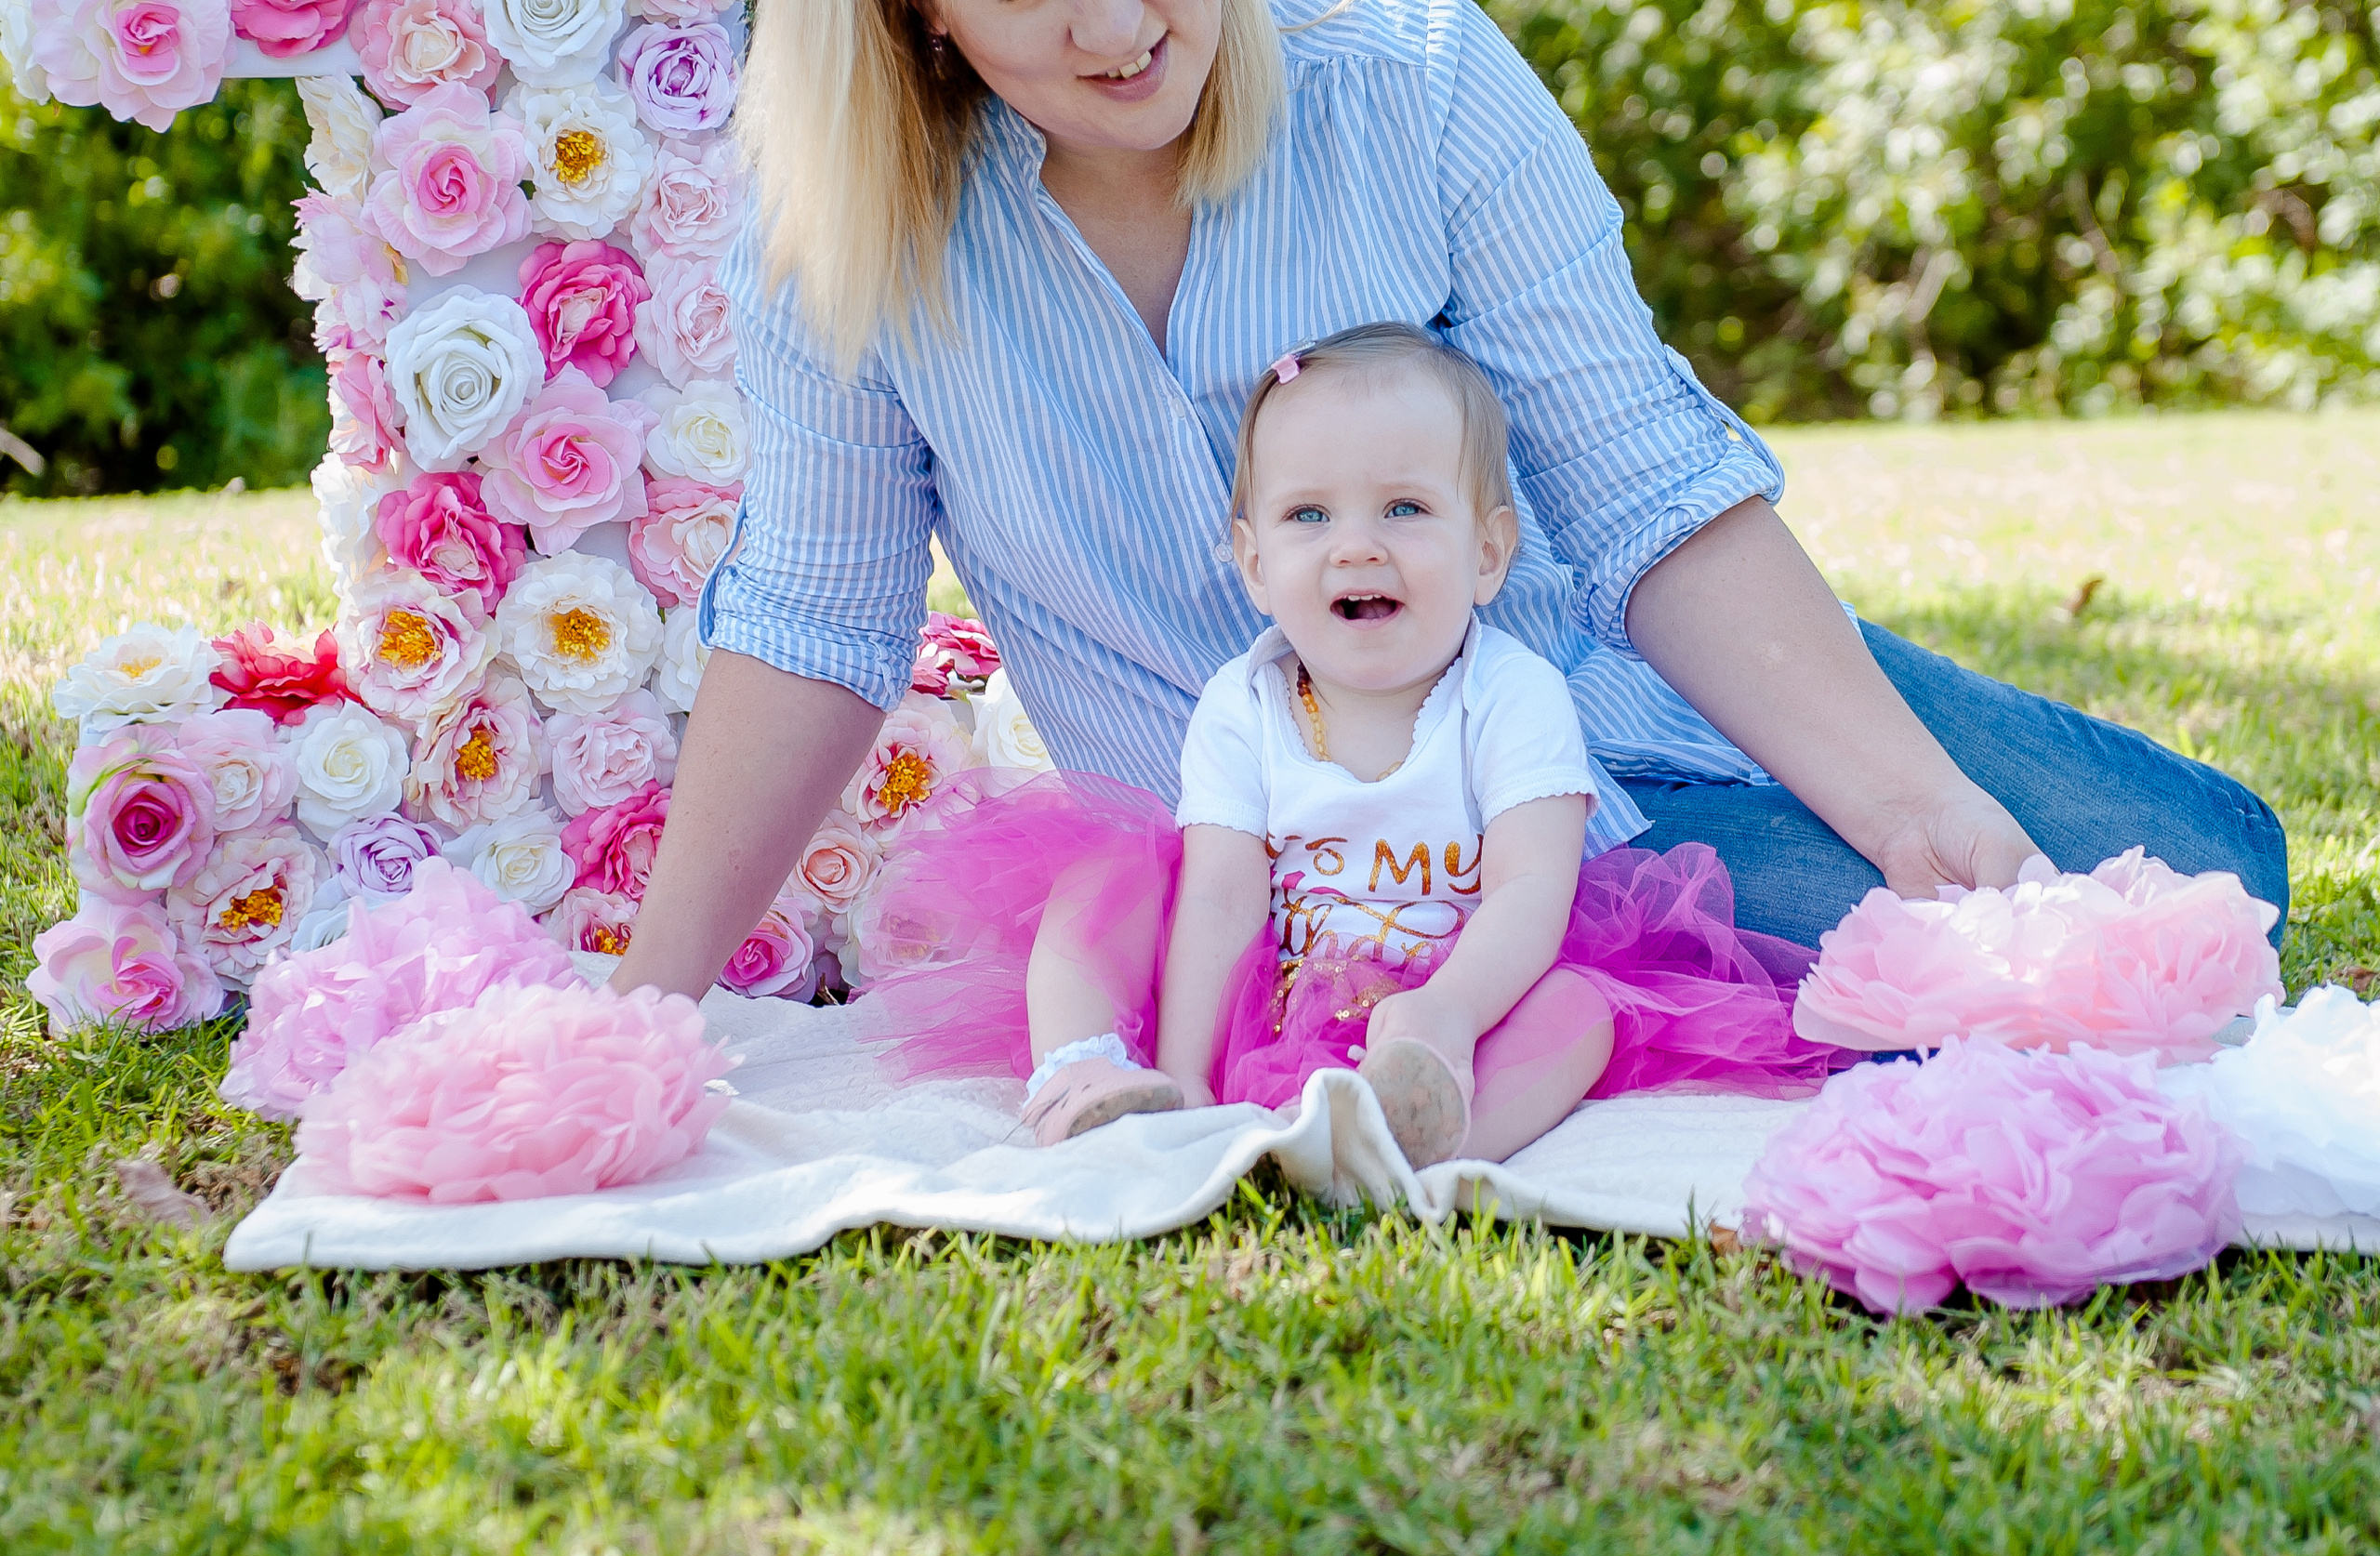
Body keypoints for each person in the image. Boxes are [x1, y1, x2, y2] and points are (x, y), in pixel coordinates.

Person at [611, 0, 2287, 1009]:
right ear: (915, 14)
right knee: (1980, 992)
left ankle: (1828, 724)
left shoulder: (1411, 73)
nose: (1121, 25)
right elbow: (819, 624)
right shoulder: (848, 236)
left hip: (1604, 679)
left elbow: (1644, 483)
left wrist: (1919, 812)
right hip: (1319, 871)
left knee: (2218, 874)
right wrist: (654, 999)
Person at [856, 326, 1845, 1163]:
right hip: (1266, 988)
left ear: (1489, 551)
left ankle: (1419, 1134)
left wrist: (1447, 1012)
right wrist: (1197, 1067)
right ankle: (1093, 1078)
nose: (1356, 545)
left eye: (1404, 509)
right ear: (1253, 563)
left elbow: (1531, 890)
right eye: (1308, 515)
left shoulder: (1509, 694)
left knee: (1583, 1010)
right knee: (1098, 888)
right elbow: (1221, 893)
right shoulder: (1242, 704)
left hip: (1458, 999)